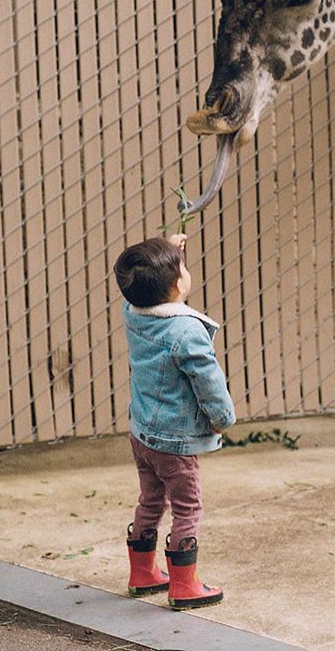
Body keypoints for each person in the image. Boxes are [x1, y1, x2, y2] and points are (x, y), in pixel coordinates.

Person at [113, 233, 236, 609]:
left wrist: (169, 251)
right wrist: (222, 418)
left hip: (143, 435)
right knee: (187, 507)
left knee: (151, 500)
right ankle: (184, 585)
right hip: (174, 443)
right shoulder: (186, 331)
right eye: (182, 266)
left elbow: (142, 287)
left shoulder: (134, 312)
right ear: (179, 283)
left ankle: (142, 573)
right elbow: (208, 380)